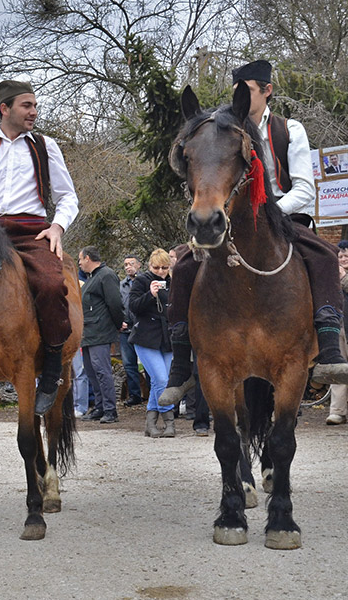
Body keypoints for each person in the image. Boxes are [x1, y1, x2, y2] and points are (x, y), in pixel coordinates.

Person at [162, 60, 348, 406]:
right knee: (186, 265)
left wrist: (270, 210)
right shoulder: (223, 130)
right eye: (238, 91)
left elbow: (306, 189)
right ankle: (180, 362)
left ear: (267, 90)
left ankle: (329, 349)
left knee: (323, 255)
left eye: (247, 91)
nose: (241, 98)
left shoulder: (290, 129)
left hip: (284, 218)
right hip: (234, 221)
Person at [0, 80, 79, 416]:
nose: (34, 111)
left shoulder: (46, 146)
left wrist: (57, 227)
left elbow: (67, 196)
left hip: (33, 232)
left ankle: (50, 369)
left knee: (49, 283)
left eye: (34, 105)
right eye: (26, 105)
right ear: (5, 109)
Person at [128, 249, 175, 437]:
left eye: (165, 268)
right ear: (149, 266)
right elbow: (133, 307)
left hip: (168, 339)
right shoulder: (141, 281)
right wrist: (150, 295)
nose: (161, 271)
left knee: (162, 381)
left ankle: (151, 422)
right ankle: (168, 421)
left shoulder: (174, 282)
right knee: (161, 379)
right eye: (157, 268)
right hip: (146, 338)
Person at [78, 246, 125, 423]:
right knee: (91, 371)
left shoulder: (106, 275)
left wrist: (119, 323)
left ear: (88, 258)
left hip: (101, 333)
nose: (80, 263)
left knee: (102, 371)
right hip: (88, 333)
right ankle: (99, 407)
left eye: (81, 259)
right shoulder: (92, 278)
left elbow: (114, 303)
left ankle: (110, 410)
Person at [327, 241, 348, 425]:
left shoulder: (341, 277)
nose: (342, 259)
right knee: (339, 370)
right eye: (340, 256)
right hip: (340, 327)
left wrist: (342, 278)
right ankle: (338, 411)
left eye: (346, 256)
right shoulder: (333, 277)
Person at [120, 254, 144, 406]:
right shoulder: (121, 285)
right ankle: (134, 395)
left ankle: (152, 393)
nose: (128, 267)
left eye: (131, 263)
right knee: (129, 364)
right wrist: (119, 321)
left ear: (139, 265)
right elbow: (117, 304)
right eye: (126, 265)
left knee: (148, 363)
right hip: (125, 328)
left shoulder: (145, 281)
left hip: (143, 328)